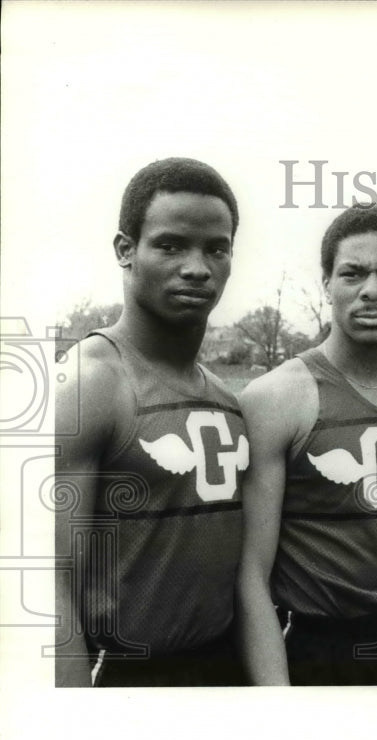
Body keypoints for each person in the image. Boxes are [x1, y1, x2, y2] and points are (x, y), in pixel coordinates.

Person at [54, 157, 246, 687]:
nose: (196, 267)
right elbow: (48, 582)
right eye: (170, 245)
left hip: (224, 668)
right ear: (125, 250)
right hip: (128, 677)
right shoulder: (89, 382)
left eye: (216, 248)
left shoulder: (228, 399)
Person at [237, 203, 377, 685]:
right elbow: (250, 575)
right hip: (318, 647)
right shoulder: (277, 398)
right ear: (326, 283)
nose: (372, 290)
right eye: (353, 273)